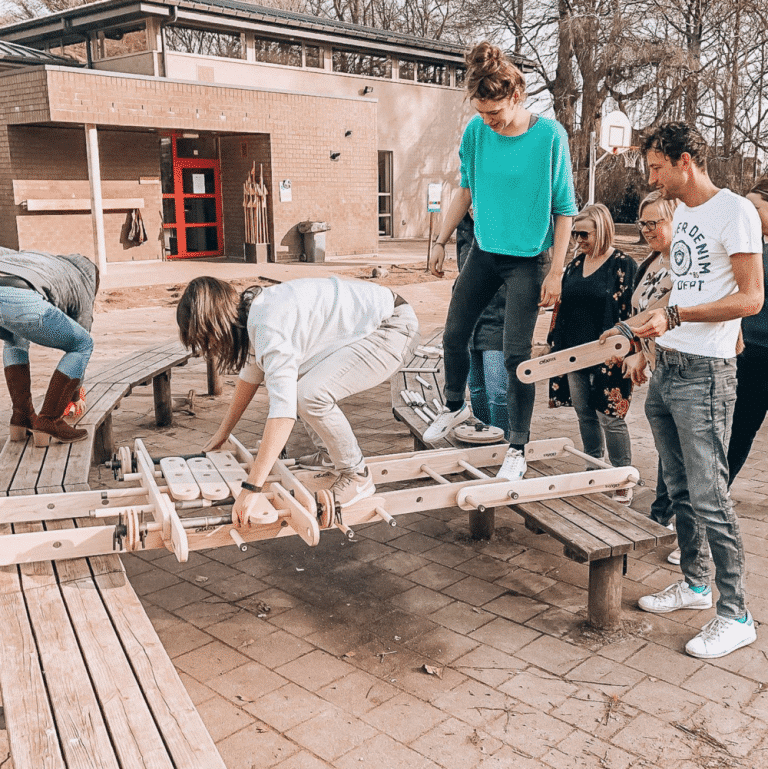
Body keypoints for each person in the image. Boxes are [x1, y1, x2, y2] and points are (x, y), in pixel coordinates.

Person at [604, 122, 763, 659]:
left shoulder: (734, 212)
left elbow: (751, 299)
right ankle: (696, 584)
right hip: (668, 367)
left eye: (656, 167)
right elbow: (687, 289)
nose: (651, 178)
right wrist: (635, 331)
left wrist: (675, 317)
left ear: (685, 162)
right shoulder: (687, 215)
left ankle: (736, 614)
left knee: (712, 496)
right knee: (679, 490)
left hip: (706, 376)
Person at [425, 41, 577, 481]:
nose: (488, 120)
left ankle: (517, 447)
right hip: (485, 252)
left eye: (494, 112)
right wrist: (440, 240)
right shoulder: (476, 133)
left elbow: (565, 209)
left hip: (528, 259)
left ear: (517, 95)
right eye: (481, 112)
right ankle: (455, 406)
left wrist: (556, 272)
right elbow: (466, 189)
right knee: (455, 333)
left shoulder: (550, 137)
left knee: (515, 358)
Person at [176, 276, 419, 522]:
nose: (210, 349)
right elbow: (250, 377)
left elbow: (283, 412)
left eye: (207, 340)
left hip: (393, 328)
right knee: (300, 386)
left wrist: (251, 488)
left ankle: (357, 475)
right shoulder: (253, 315)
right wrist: (223, 433)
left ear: (217, 325)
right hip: (377, 323)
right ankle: (329, 456)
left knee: (310, 394)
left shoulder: (269, 327)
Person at [547, 204, 637, 503]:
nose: (578, 239)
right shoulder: (574, 265)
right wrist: (552, 343)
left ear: (603, 230)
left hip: (610, 355)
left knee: (610, 416)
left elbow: (631, 311)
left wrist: (633, 350)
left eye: (584, 234)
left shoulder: (623, 265)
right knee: (584, 413)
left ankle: (622, 478)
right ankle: (593, 469)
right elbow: (562, 308)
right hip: (575, 352)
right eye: (575, 233)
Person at [0, 247, 97, 446]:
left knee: (15, 339)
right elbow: (82, 331)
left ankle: (21, 416)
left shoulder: (41, 259)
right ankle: (49, 420)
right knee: (83, 344)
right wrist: (75, 394)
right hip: (22, 297)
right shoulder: (85, 283)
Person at [726, 178, 768, 484]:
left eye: (756, 208)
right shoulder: (754, 250)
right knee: (739, 428)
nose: (748, 215)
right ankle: (718, 491)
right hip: (749, 353)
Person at [456, 210, 509, 439]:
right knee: (476, 389)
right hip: (471, 322)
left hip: (498, 320)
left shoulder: (504, 227)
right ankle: (485, 438)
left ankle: (505, 441)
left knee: (497, 393)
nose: (472, 208)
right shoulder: (465, 230)